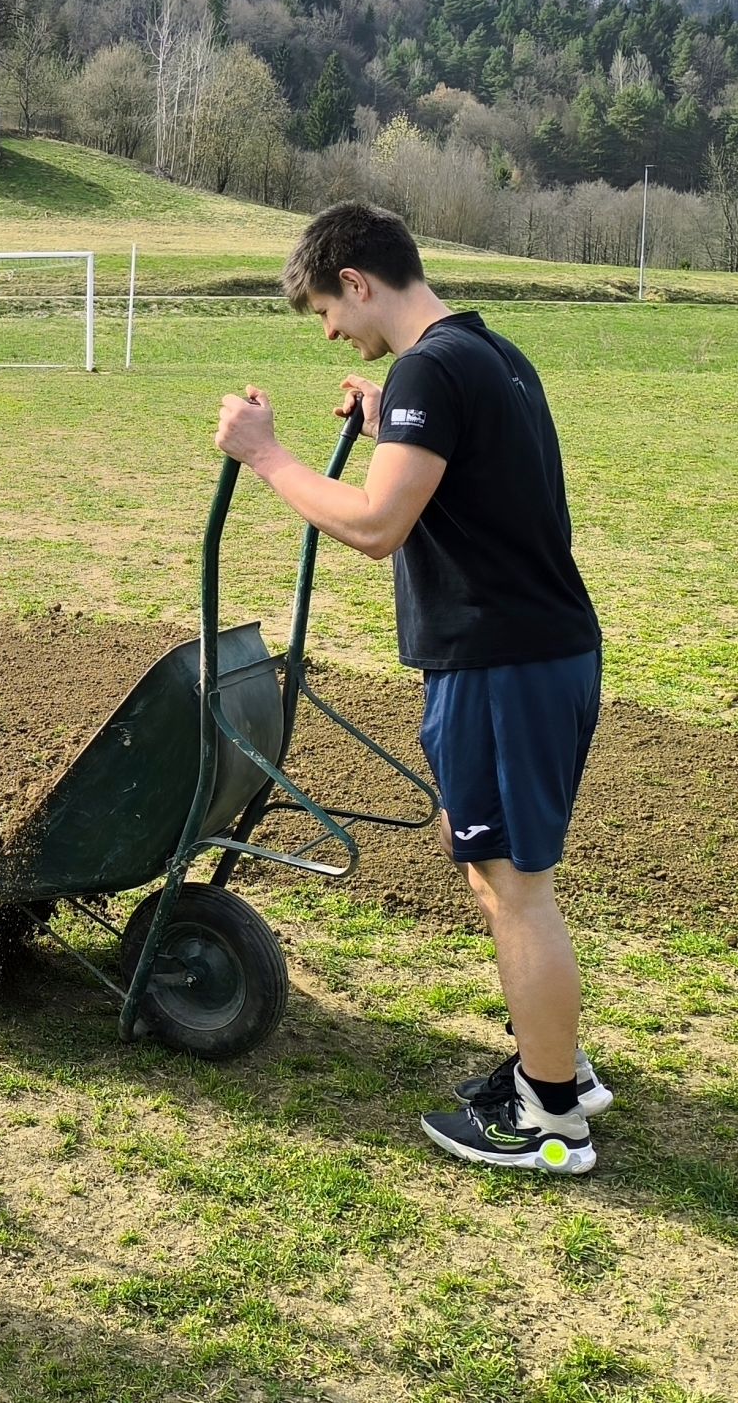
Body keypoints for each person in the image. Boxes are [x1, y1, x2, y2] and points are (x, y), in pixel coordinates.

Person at [214, 202, 607, 1174]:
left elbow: (375, 523)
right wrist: (390, 417)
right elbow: (463, 472)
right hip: (532, 652)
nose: (328, 333)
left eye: (325, 311)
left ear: (356, 282)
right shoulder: (488, 354)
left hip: (502, 661)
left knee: (515, 886)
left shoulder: (433, 369)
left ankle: (552, 1117)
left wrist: (265, 455)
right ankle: (554, 1064)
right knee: (487, 867)